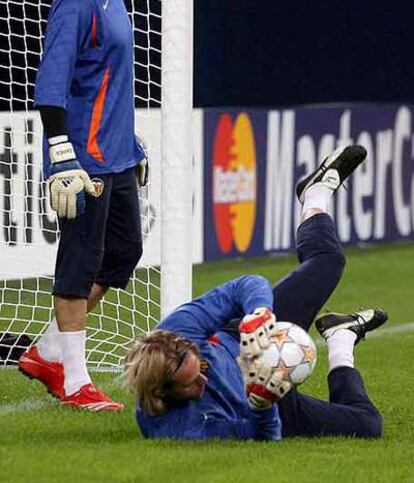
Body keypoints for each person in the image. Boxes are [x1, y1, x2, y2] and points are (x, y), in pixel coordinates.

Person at [123, 145, 388, 439]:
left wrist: (258, 312)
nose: (202, 377)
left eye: (200, 365)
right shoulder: (178, 428)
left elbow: (245, 284)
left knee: (329, 262)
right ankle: (341, 339)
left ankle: (314, 195)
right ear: (163, 394)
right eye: (190, 383)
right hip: (264, 399)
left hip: (248, 334)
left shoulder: (176, 331)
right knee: (367, 425)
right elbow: (259, 434)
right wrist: (264, 402)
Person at [18, 0, 161, 411]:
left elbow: (106, 82)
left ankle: (50, 350)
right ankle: (75, 379)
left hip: (117, 156)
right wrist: (61, 152)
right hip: (85, 161)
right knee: (80, 261)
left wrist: (133, 145)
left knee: (124, 251)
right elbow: (51, 84)